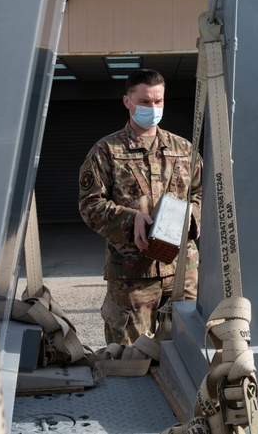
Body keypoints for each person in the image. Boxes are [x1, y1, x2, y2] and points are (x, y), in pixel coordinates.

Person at [78, 68, 202, 346]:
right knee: (130, 357)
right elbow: (90, 205)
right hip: (132, 276)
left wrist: (190, 218)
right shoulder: (106, 151)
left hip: (183, 271)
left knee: (190, 353)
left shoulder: (183, 149)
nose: (154, 107)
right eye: (145, 102)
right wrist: (129, 219)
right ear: (128, 102)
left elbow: (202, 194)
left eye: (158, 101)